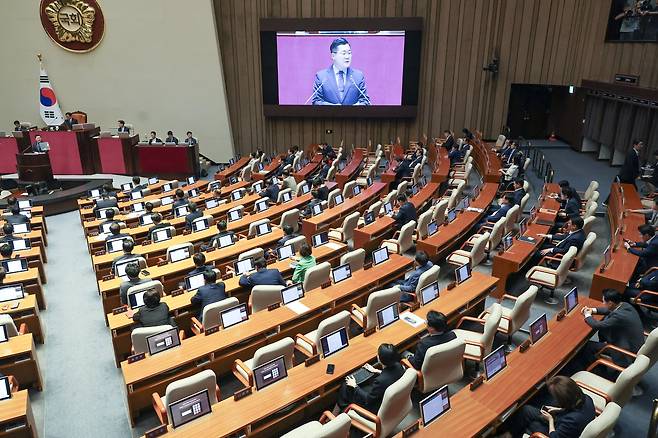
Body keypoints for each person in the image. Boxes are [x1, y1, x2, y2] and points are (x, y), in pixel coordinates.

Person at [503, 376, 595, 438]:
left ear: (564, 400)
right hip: (564, 420)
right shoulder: (586, 399)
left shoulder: (572, 421)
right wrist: (559, 409)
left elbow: (554, 436)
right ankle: (509, 434)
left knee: (533, 426)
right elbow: (574, 407)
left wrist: (550, 420)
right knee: (526, 410)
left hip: (559, 430)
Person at [580, 288, 644, 366]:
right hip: (632, 342)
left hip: (625, 351)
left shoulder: (619, 316)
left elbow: (597, 325)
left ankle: (596, 367)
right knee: (603, 332)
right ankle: (601, 350)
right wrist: (591, 310)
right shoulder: (624, 305)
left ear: (610, 303)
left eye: (603, 301)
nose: (603, 303)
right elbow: (608, 310)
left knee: (587, 346)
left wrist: (587, 315)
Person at [335, 343, 404, 412]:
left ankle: (344, 410)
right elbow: (390, 375)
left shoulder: (380, 381)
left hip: (373, 408)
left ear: (379, 359)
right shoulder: (399, 366)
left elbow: (368, 399)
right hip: (389, 401)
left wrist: (355, 386)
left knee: (345, 386)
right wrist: (376, 370)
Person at [312, 38, 369, 106]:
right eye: (344, 53)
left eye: (349, 53)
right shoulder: (321, 76)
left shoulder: (358, 76)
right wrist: (334, 108)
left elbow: (365, 101)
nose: (347, 56)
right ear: (333, 56)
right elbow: (316, 101)